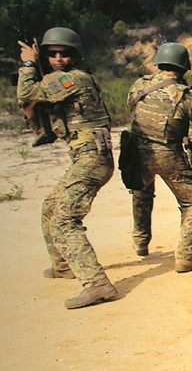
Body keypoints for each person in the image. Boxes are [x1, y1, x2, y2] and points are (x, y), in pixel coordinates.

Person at [17, 27, 118, 309]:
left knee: (64, 220)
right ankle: (63, 265)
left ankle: (97, 284)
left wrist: (27, 63)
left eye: (64, 54)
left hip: (92, 158)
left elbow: (26, 92)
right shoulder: (56, 82)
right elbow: (36, 117)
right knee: (50, 206)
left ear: (74, 56)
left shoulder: (74, 79)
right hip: (85, 157)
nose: (59, 59)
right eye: (52, 55)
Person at [125, 42, 192, 272]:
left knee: (141, 192)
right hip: (168, 154)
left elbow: (131, 110)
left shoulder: (139, 85)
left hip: (137, 150)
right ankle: (186, 255)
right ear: (183, 67)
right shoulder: (184, 95)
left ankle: (140, 242)